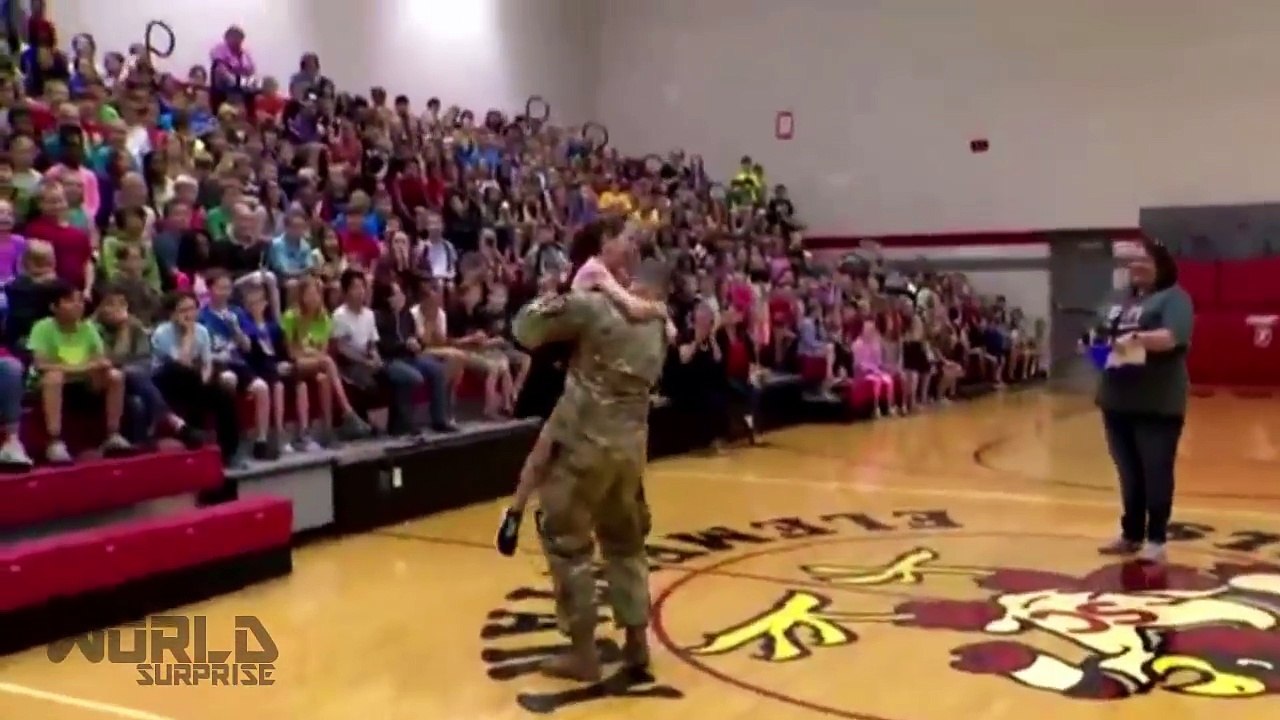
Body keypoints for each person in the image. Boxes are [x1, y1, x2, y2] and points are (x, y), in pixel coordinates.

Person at [505, 256, 672, 682]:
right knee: (626, 543)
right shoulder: (659, 328)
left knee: (567, 543)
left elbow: (525, 329)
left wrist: (557, 294)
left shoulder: (596, 309)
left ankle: (583, 653)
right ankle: (636, 642)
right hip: (630, 453)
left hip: (583, 445)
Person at [1094, 238, 1193, 565]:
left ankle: (1156, 539)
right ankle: (1131, 534)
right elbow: (1098, 333)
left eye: (1144, 260)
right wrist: (1094, 347)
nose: (1136, 266)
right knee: (1129, 473)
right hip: (1116, 400)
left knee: (1155, 471)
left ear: (1160, 265)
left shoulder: (1174, 298)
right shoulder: (1116, 299)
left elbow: (1172, 337)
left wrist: (1134, 341)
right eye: (1132, 261)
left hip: (1157, 402)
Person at [27, 281, 133, 463]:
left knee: (115, 376)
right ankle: (55, 441)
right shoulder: (42, 328)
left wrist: (91, 367)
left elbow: (101, 361)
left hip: (85, 383)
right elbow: (42, 364)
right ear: (54, 306)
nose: (78, 305)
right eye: (70, 301)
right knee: (54, 377)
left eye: (80, 301)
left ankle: (113, 435)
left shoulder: (88, 328)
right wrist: (84, 367)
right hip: (50, 386)